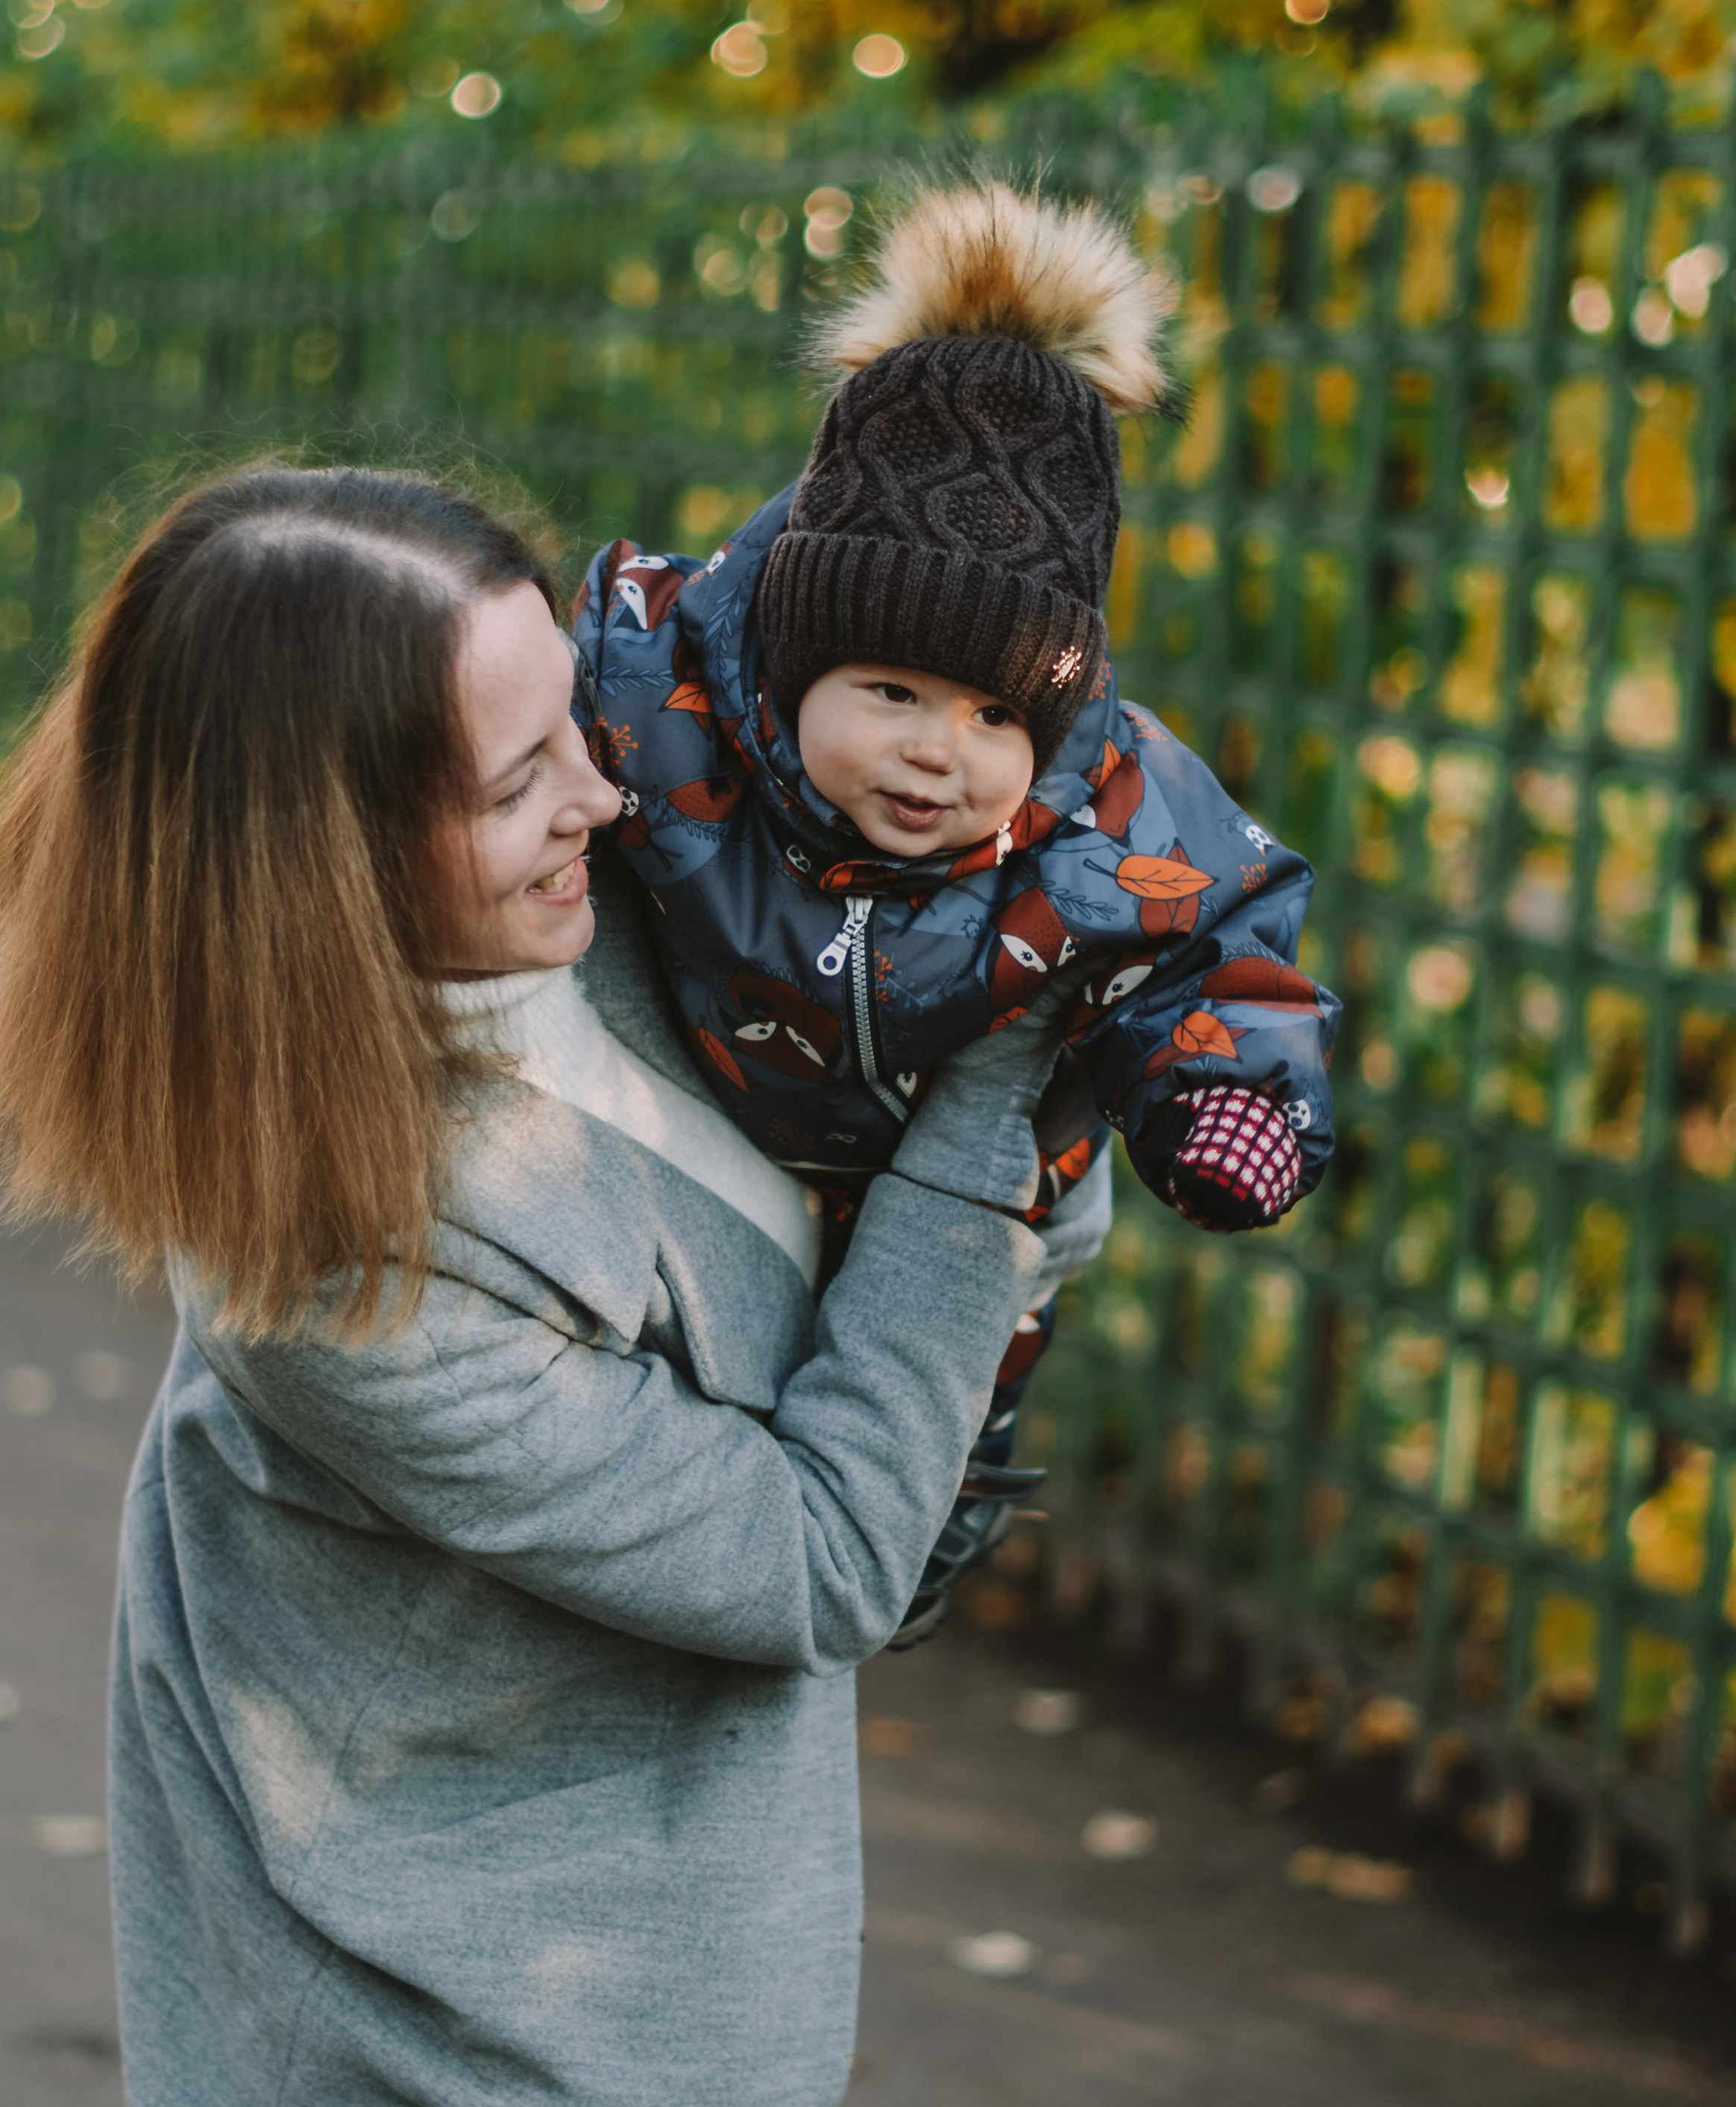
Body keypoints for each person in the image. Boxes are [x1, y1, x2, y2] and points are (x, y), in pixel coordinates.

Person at [0, 463, 1103, 2107]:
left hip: (604, 2078)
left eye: (580, 719)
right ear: (315, 862)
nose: (610, 795)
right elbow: (815, 1551)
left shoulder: (615, 916)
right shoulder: (338, 1270)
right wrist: (1015, 1096)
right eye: (518, 774)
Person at [573, 180, 1342, 1636]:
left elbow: (1220, 943)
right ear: (792, 655)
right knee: (690, 1343)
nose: (942, 750)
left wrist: (1215, 1090)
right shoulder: (650, 694)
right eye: (891, 694)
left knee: (975, 1334)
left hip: (957, 1170)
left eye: (998, 711)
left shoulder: (1100, 805)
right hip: (710, 1116)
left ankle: (929, 1518)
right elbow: (499, 731)